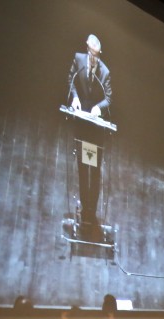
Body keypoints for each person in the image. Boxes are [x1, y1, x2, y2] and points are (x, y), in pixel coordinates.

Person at [66, 34, 112, 229]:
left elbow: (109, 98)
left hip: (95, 130)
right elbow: (70, 80)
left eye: (96, 56)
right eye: (91, 54)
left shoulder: (105, 73)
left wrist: (98, 108)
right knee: (83, 169)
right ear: (87, 50)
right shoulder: (78, 60)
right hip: (81, 126)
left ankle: (92, 210)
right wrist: (74, 97)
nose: (93, 59)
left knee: (94, 170)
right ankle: (85, 209)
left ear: (99, 54)